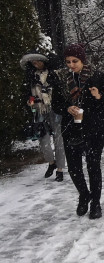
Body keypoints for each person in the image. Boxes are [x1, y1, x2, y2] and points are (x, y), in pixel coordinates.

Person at [60, 44, 104, 219]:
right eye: (68, 61)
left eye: (75, 61)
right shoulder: (62, 79)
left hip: (94, 127)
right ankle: (84, 195)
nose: (71, 65)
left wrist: (99, 96)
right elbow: (56, 103)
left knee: (93, 165)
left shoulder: (97, 77)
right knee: (74, 167)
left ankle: (96, 203)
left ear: (82, 60)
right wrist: (68, 107)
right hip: (71, 128)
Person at [19, 52, 67, 182]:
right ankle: (51, 162)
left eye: (38, 61)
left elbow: (61, 92)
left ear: (44, 61)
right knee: (43, 140)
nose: (36, 64)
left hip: (55, 110)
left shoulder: (54, 74)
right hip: (39, 110)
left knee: (59, 139)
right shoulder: (31, 77)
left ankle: (60, 169)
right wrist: (29, 101)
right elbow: (26, 94)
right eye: (33, 62)